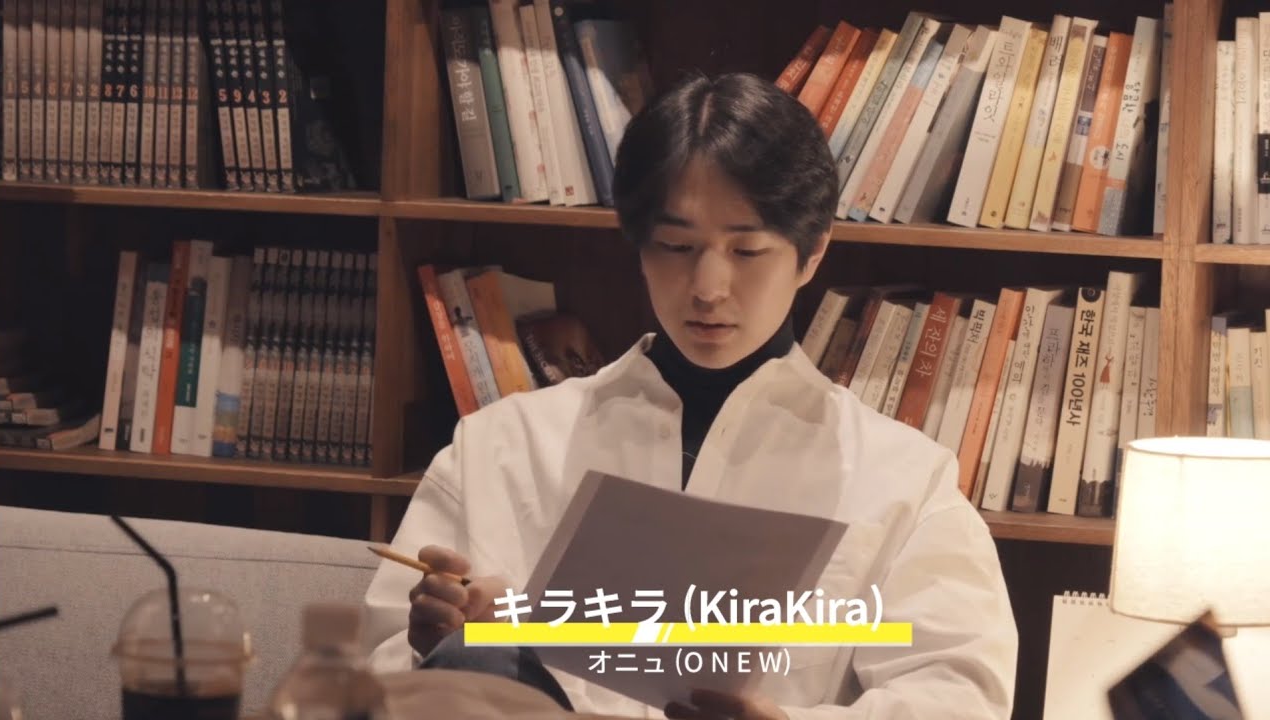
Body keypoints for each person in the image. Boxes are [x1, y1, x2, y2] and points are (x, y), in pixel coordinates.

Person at [364, 72, 1018, 719]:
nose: (708, 287)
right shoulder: (501, 445)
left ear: (813, 253)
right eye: (677, 246)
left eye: (748, 250)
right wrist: (443, 650)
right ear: (637, 246)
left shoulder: (903, 480)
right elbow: (374, 675)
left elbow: (962, 698)